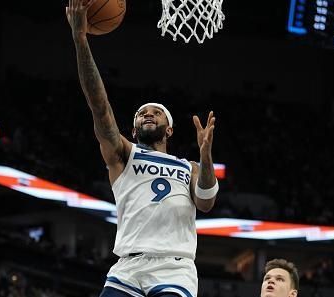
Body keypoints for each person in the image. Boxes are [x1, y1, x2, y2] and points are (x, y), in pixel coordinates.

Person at [66, 1, 219, 296]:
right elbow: (100, 107)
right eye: (141, 113)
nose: (148, 114)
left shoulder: (190, 167)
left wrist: (206, 155)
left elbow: (206, 203)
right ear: (134, 130)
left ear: (169, 129)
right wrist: (80, 40)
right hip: (127, 267)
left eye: (156, 112)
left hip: (174, 267)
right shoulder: (124, 154)